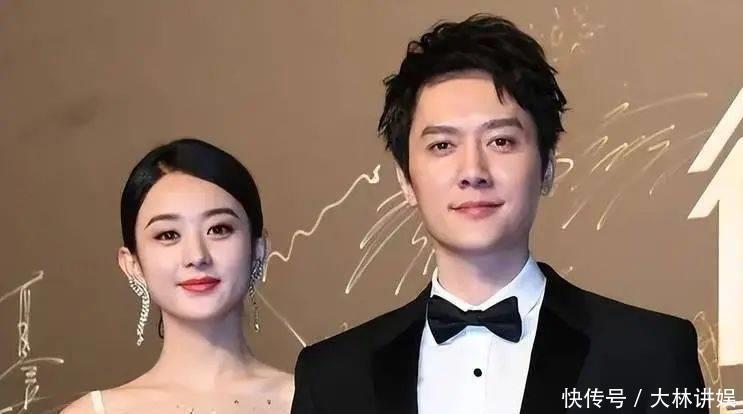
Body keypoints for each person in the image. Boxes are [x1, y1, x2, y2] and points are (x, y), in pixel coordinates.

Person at [291, 14, 705, 413]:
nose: (473, 171)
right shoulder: (333, 379)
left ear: (547, 167)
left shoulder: (650, 356)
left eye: (501, 141)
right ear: (405, 180)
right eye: (442, 146)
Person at [63, 138, 293, 414]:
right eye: (168, 235)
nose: (197, 256)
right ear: (132, 264)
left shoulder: (314, 400)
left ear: (259, 249)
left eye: (219, 229)